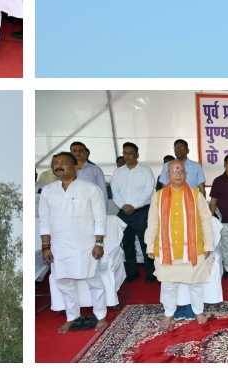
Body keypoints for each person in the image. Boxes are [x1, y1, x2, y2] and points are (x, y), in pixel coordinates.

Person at [39, 152, 109, 333]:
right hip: (59, 245)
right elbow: (44, 221)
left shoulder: (90, 189)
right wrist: (46, 246)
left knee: (93, 280)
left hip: (85, 245)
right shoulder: (47, 191)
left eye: (63, 162)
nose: (58, 165)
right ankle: (72, 316)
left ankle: (101, 315)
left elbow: (100, 218)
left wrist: (99, 243)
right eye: (55, 163)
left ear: (76, 166)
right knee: (62, 281)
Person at [146, 160, 216, 329]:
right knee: (168, 285)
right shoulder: (158, 196)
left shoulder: (196, 195)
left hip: (193, 248)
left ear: (186, 174)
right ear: (167, 175)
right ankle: (169, 313)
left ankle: (198, 310)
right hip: (166, 249)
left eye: (181, 171)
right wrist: (149, 245)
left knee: (195, 283)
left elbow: (206, 220)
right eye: (174, 172)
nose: (177, 174)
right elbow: (153, 222)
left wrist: (208, 245)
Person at [111, 142, 156, 283]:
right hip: (123, 212)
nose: (127, 155)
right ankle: (132, 271)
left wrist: (133, 206)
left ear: (137, 155)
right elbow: (115, 191)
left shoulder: (146, 170)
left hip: (141, 211)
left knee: (146, 243)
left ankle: (150, 272)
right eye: (125, 153)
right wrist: (123, 205)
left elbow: (148, 191)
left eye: (130, 153)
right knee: (126, 243)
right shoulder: (118, 172)